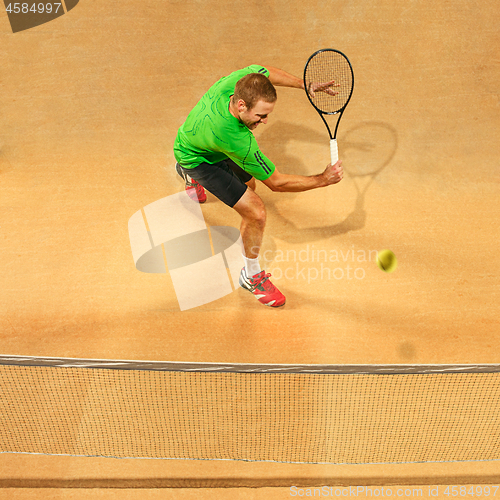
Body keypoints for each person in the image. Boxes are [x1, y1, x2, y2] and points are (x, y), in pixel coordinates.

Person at [174, 64, 343, 308]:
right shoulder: (236, 138)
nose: (264, 122)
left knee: (249, 184)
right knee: (255, 211)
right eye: (261, 115)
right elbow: (277, 183)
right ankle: (251, 276)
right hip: (198, 158)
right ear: (241, 105)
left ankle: (188, 173)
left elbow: (262, 71)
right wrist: (322, 180)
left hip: (193, 137)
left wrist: (303, 85)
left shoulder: (235, 84)